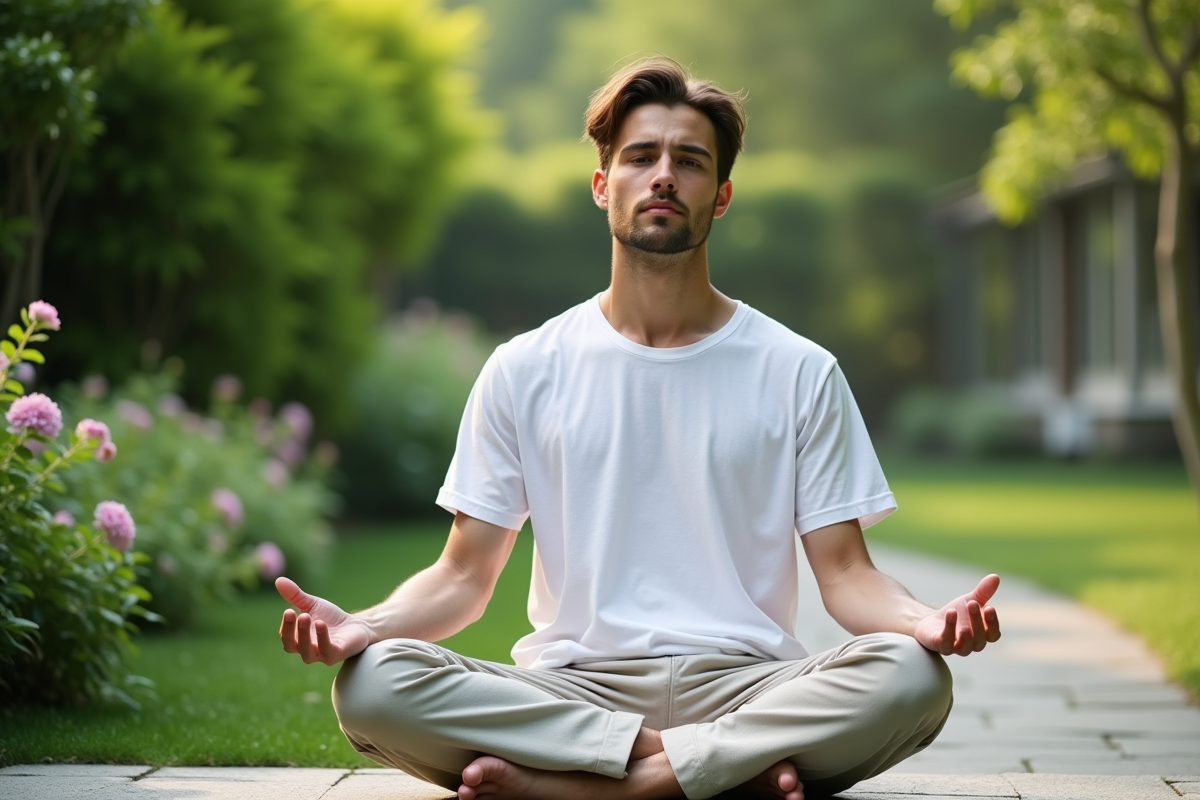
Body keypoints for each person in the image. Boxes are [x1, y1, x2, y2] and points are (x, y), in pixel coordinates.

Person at [275, 57, 1001, 800]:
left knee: (911, 676)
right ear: (602, 185)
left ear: (719, 198)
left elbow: (847, 576)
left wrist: (926, 620)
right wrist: (364, 624)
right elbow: (462, 576)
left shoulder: (798, 370)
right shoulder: (525, 367)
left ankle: (590, 790)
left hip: (748, 686)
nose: (663, 176)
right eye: (640, 156)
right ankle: (711, 772)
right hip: (573, 693)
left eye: (688, 162)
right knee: (372, 685)